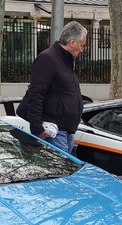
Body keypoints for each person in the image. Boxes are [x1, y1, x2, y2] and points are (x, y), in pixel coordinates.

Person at [25, 21, 87, 153]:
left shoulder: (66, 61)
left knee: (66, 171)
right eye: (81, 45)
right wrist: (37, 129)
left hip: (66, 130)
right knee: (62, 172)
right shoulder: (48, 59)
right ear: (72, 42)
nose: (82, 50)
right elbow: (36, 95)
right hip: (54, 131)